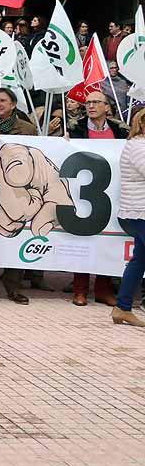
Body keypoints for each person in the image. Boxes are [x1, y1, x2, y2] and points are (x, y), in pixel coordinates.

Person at [68, 92, 127, 306]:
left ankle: (103, 289)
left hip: (110, 192)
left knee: (107, 241)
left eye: (96, 102)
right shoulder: (75, 128)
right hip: (83, 193)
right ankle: (80, 290)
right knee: (83, 238)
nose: (91, 106)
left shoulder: (120, 130)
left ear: (107, 107)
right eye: (88, 102)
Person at [112, 109, 145, 327]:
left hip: (138, 212)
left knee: (139, 261)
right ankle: (122, 307)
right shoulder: (138, 146)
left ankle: (122, 308)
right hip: (139, 212)